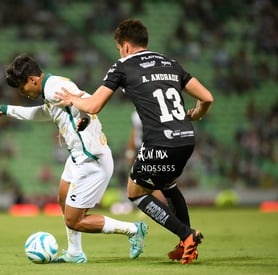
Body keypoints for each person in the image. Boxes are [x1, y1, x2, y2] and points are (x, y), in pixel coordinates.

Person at [54, 18, 214, 265]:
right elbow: (207, 98)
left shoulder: (123, 66)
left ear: (125, 46)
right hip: (186, 139)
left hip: (160, 142)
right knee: (168, 184)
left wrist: (73, 99)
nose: (120, 52)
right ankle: (185, 244)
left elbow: (94, 105)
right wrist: (197, 114)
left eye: (119, 48)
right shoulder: (169, 63)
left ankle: (187, 234)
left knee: (136, 192)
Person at [0, 54, 148, 263]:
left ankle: (133, 229)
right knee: (62, 199)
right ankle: (75, 253)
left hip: (91, 160)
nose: (24, 93)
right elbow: (44, 114)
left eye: (22, 88)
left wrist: (84, 119)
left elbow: (87, 99)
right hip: (77, 157)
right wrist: (9, 110)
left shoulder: (54, 87)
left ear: (33, 80)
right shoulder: (50, 90)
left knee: (74, 221)